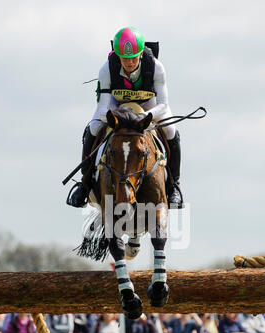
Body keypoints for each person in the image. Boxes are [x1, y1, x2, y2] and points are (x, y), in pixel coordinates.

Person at [68, 26, 184, 209]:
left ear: (140, 54)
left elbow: (164, 105)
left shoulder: (156, 67)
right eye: (124, 58)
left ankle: (174, 186)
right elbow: (102, 108)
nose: (129, 63)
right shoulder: (107, 68)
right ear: (117, 55)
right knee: (93, 127)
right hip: (117, 104)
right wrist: (119, 119)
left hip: (149, 105)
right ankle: (85, 182)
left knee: (171, 131)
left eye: (133, 57)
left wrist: (145, 117)